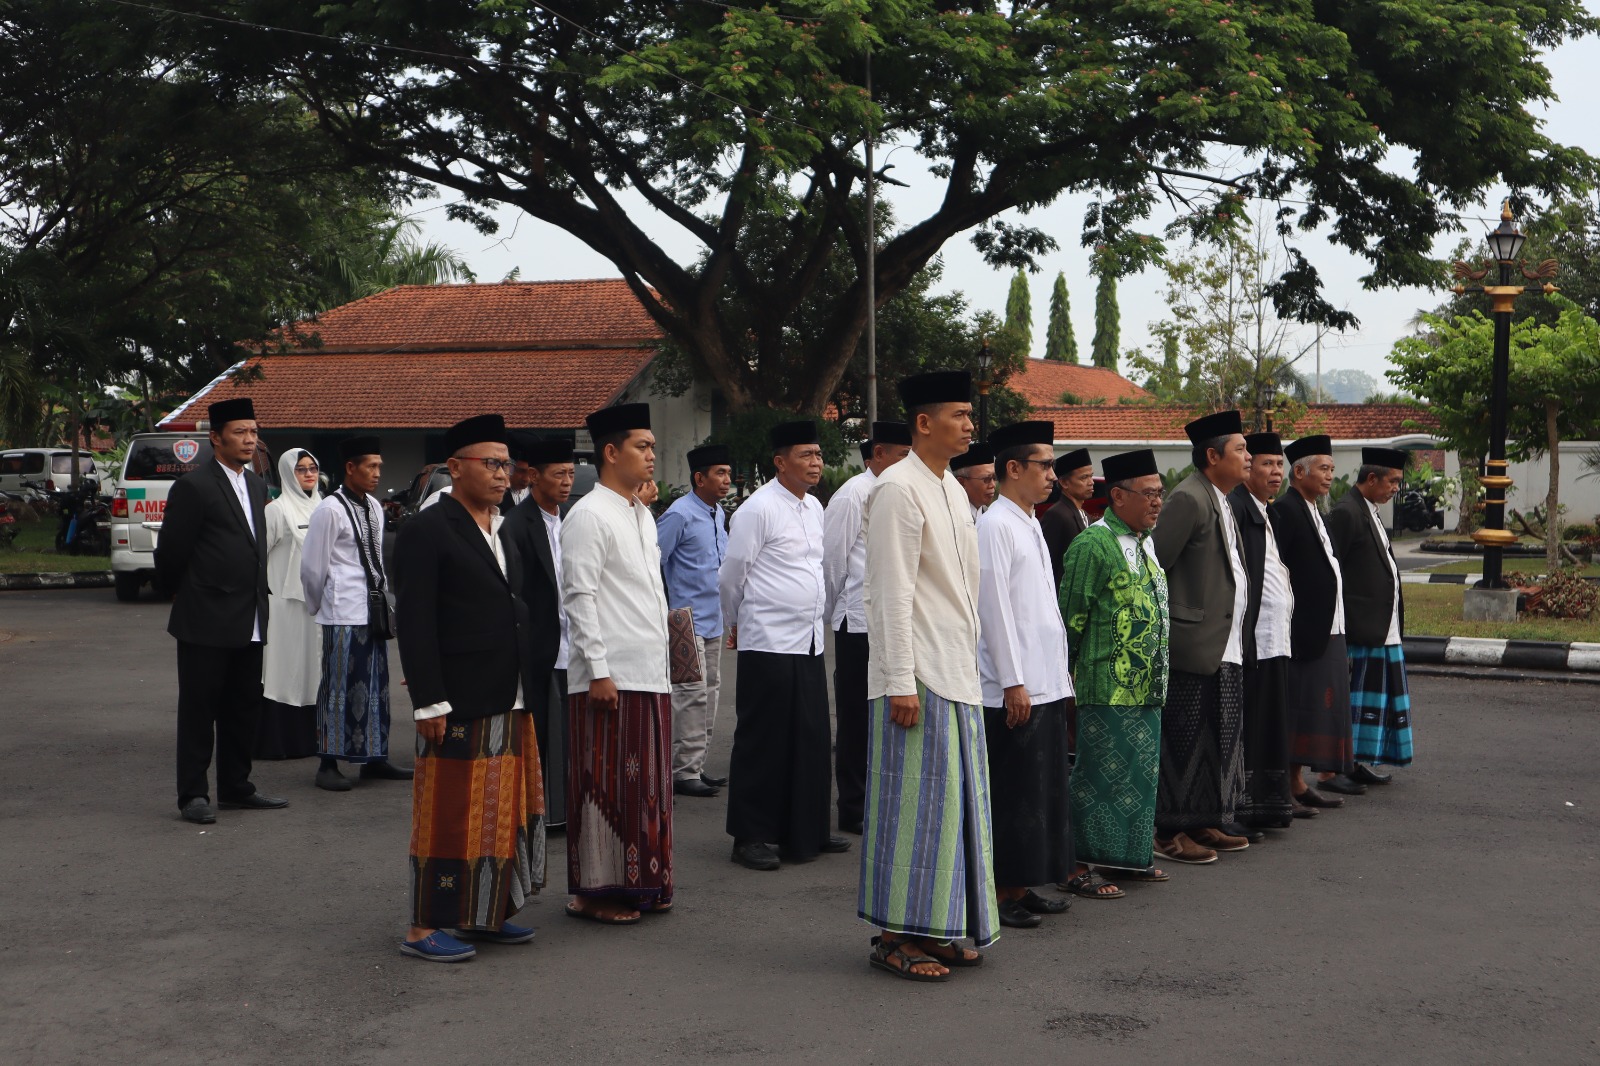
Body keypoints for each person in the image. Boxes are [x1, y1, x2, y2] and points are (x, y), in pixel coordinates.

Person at [858, 369, 998, 983]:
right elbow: (889, 593)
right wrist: (899, 681)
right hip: (916, 676)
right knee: (911, 810)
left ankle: (934, 929)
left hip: (955, 671)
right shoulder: (897, 489)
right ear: (923, 423)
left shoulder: (950, 490)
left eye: (971, 415)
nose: (971, 425)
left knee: (950, 811)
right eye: (960, 415)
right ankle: (893, 938)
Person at [393, 414, 547, 962]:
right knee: (448, 814)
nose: (503, 474)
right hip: (457, 697)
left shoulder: (500, 527)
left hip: (508, 692)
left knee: (498, 810)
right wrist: (429, 700)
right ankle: (422, 926)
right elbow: (414, 621)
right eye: (491, 463)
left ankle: (484, 913)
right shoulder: (428, 529)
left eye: (507, 464)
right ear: (455, 467)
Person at [562, 403, 673, 924]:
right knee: (604, 784)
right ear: (611, 452)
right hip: (610, 676)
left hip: (649, 671)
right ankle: (595, 892)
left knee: (645, 787)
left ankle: (642, 883)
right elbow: (579, 597)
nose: (652, 455)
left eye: (652, 447)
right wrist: (598, 669)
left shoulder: (639, 512)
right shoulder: (588, 515)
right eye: (642, 447)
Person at [155, 397, 288, 824]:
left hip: (250, 615)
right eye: (240, 432)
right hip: (206, 617)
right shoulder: (194, 486)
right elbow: (172, 553)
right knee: (199, 708)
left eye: (253, 431)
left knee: (243, 705)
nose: (250, 440)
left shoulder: (255, 485)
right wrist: (184, 592)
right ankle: (193, 794)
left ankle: (237, 786)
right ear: (216, 438)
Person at [720, 421, 844, 870]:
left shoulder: (814, 506)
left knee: (810, 735)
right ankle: (751, 835)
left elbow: (820, 568)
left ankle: (804, 828)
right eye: (806, 455)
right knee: (764, 739)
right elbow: (732, 574)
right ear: (780, 461)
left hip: (808, 639)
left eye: (818, 455)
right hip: (768, 640)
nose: (816, 463)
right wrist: (736, 621)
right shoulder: (758, 508)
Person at [976, 420, 1075, 929]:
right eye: (1045, 465)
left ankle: (1023, 882)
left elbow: (1039, 609)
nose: (1053, 476)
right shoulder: (994, 525)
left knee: (1039, 791)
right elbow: (993, 611)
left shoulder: (1028, 520)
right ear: (1013, 468)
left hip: (1045, 679)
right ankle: (1001, 891)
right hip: (1015, 687)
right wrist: (1013, 680)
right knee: (1013, 793)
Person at [1058, 449, 1170, 900]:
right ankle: (1079, 865)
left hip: (1147, 686)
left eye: (1160, 493)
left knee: (1138, 777)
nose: (1157, 502)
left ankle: (1127, 857)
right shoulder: (1093, 544)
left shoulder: (1146, 542)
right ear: (1118, 497)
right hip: (1105, 685)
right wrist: (1066, 685)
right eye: (1149, 494)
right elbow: (1070, 619)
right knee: (1097, 778)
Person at [1150, 410, 1252, 864]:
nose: (1248, 457)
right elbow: (1157, 566)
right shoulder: (1188, 499)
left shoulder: (1222, 497)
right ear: (1212, 456)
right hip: (1192, 644)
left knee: (1218, 734)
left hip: (1223, 642)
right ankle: (1169, 832)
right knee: (1185, 737)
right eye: (1241, 450)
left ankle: (1204, 818)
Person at [300, 436, 408, 791]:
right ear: (350, 468)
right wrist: (320, 606)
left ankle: (373, 758)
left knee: (376, 685)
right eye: (371, 466)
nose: (378, 473)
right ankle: (327, 763)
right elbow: (313, 568)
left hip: (372, 609)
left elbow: (375, 557)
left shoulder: (375, 507)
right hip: (342, 611)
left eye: (380, 466)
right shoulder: (329, 510)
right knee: (339, 687)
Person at [823, 420, 911, 835]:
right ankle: (853, 807)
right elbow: (833, 563)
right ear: (878, 454)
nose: (907, 463)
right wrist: (833, 611)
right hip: (856, 620)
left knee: (887, 715)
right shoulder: (852, 494)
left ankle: (880, 800)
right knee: (857, 718)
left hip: (890, 622)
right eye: (901, 455)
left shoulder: (901, 491)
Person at [1270, 436, 1353, 811]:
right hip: (1303, 628)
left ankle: (1299, 781)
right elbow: (1278, 570)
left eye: (1332, 470)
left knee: (1320, 708)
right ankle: (1288, 784)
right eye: (1323, 468)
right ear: (1298, 471)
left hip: (1330, 626)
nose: (1329, 476)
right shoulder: (1285, 510)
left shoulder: (1316, 509)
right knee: (1299, 709)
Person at [1325, 447, 1415, 785]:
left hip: (1382, 628)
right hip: (1359, 627)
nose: (1396, 488)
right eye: (1392, 481)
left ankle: (1355, 762)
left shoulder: (1370, 510)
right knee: (1352, 702)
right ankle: (1331, 769)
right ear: (1372, 478)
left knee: (1370, 705)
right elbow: (1333, 569)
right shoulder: (1347, 512)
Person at [500, 436, 574, 828]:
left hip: (574, 643)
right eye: (558, 474)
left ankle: (565, 809)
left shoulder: (573, 517)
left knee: (570, 734)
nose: (566, 482)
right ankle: (542, 813)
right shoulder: (516, 524)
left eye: (571, 474)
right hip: (541, 645)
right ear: (533, 476)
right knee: (543, 733)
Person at [656, 444, 732, 800]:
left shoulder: (717, 513)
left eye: (729, 473)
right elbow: (655, 561)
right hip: (684, 622)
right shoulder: (679, 514)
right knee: (690, 696)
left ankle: (696, 765)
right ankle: (683, 771)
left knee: (711, 694)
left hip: (714, 618)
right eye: (719, 473)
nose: (727, 480)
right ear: (699, 478)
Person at [1228, 432, 1296, 830]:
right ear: (1247, 467)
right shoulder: (1238, 508)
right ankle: (1243, 808)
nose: (1275, 472)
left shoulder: (1265, 510)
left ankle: (1270, 806)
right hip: (1252, 639)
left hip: (1275, 637)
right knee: (1250, 726)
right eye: (1267, 464)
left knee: (1271, 724)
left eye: (1278, 464)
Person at [257, 448, 322, 760]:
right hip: (283, 609)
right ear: (287, 473)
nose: (309, 474)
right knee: (284, 671)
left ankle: (315, 740)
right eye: (301, 469)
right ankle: (278, 743)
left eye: (313, 468)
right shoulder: (277, 511)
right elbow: (257, 559)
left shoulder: (324, 508)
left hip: (318, 609)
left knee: (314, 669)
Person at [1040, 447, 1094, 591]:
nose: (1091, 482)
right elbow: (1048, 564)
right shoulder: (1056, 515)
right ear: (1064, 483)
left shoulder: (1085, 515)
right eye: (1084, 478)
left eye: (1091, 476)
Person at [951, 443, 996, 522]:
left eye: (994, 478)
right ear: (961, 482)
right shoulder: (952, 519)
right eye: (986, 479)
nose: (993, 485)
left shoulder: (992, 516)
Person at [500, 431, 536, 512]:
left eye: (531, 472)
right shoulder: (492, 498)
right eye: (521, 471)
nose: (526, 479)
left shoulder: (543, 496)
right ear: (506, 465)